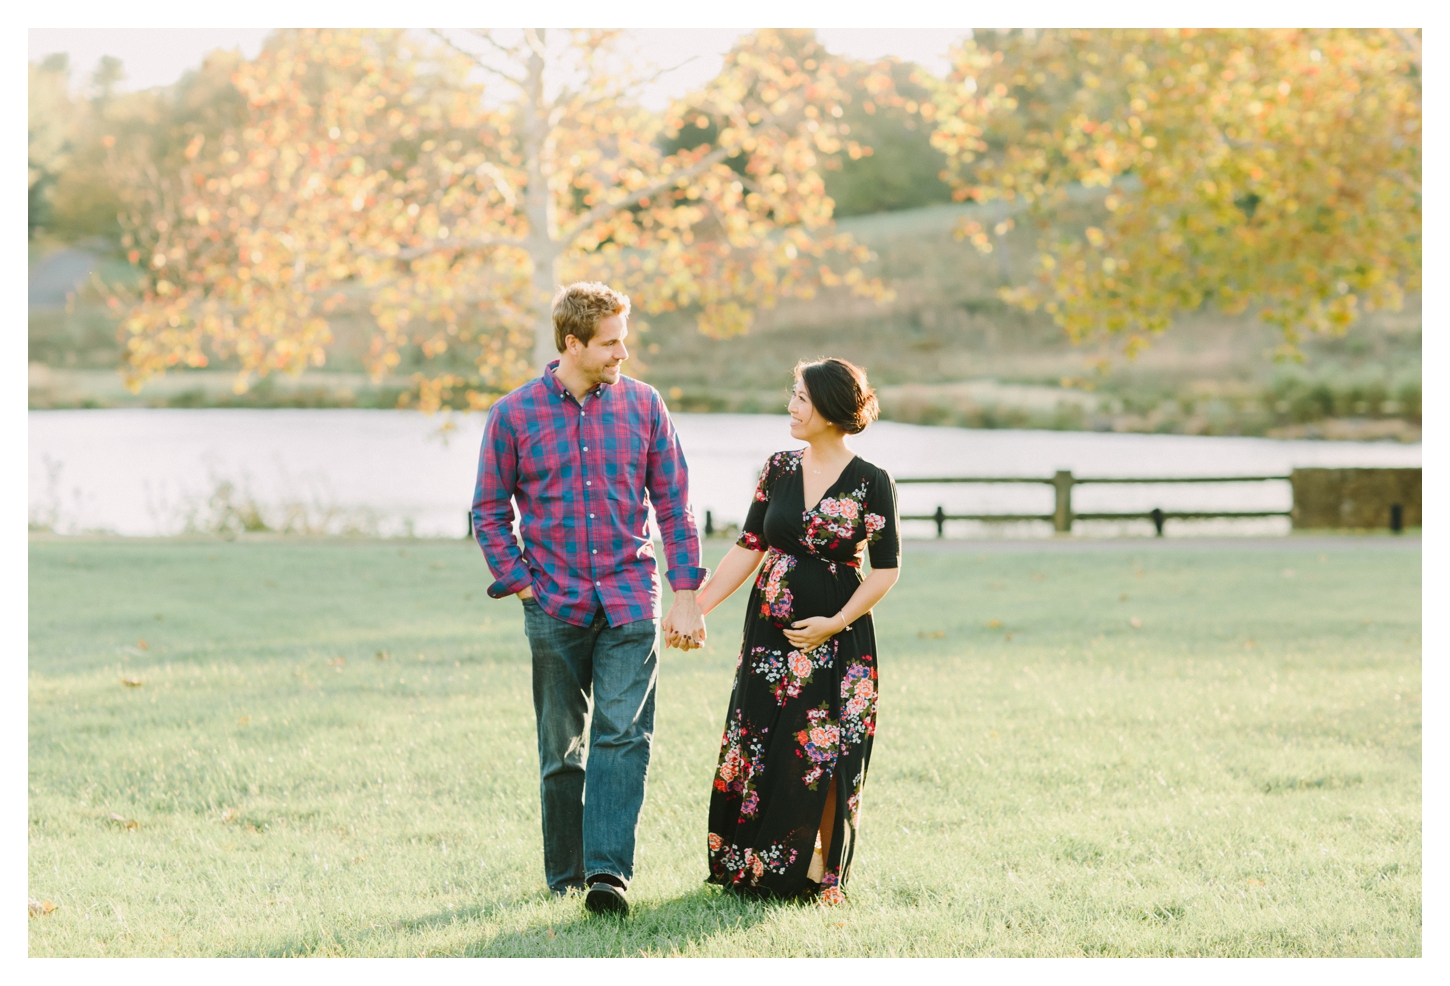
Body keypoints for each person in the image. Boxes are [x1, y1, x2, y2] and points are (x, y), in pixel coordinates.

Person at [471, 281, 708, 918]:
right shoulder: (514, 415)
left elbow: (675, 507)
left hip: (632, 600)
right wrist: (521, 583)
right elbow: (489, 512)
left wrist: (685, 593)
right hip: (554, 605)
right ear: (572, 343)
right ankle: (566, 876)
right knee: (561, 749)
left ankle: (608, 876)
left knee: (623, 735)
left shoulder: (644, 406)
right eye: (610, 342)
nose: (622, 353)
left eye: (624, 339)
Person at [693, 357, 900, 905]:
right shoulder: (779, 466)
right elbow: (750, 545)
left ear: (831, 409)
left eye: (802, 398)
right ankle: (753, 865)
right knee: (758, 739)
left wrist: (835, 622)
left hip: (839, 637)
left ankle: (813, 868)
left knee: (823, 750)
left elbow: (886, 569)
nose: (791, 406)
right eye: (793, 394)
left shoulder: (872, 483)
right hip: (769, 632)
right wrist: (699, 606)